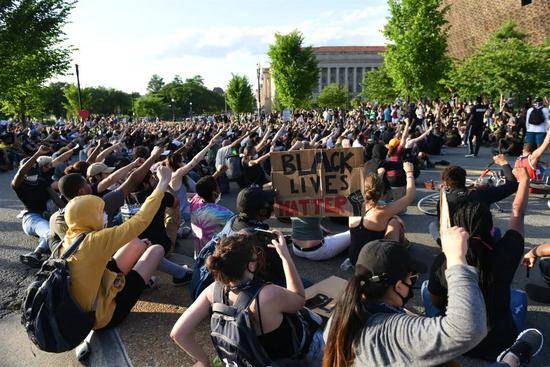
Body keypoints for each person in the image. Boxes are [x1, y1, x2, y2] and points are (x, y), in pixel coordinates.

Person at [323, 229, 487, 367]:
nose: (413, 281)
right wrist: (456, 259)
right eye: (412, 277)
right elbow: (467, 328)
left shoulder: (343, 314)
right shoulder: (390, 332)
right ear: (399, 286)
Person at [171, 231, 323, 367]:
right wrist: (285, 256)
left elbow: (178, 333)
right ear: (250, 265)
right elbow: (299, 298)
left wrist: (203, 361)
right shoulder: (268, 295)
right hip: (288, 359)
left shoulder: (212, 291)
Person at [427, 167, 530, 360]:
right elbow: (518, 212)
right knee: (519, 298)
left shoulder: (443, 260)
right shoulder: (505, 251)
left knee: (427, 288)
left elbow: (437, 301)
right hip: (499, 342)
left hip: (456, 343)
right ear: (489, 226)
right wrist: (524, 180)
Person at [61, 166, 172, 330]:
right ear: (89, 217)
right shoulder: (95, 240)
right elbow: (141, 220)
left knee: (136, 242)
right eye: (99, 212)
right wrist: (163, 182)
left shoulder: (71, 237)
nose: (104, 215)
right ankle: (160, 278)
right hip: (103, 317)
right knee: (156, 250)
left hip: (89, 300)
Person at [348, 162, 415, 266]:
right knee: (394, 222)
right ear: (382, 191)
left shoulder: (354, 204)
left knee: (392, 217)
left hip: (354, 259)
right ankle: (398, 252)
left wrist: (380, 175)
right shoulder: (382, 211)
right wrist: (409, 172)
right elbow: (409, 196)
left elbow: (371, 188)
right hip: (371, 264)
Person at [12, 145, 60, 267]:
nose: (31, 167)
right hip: (31, 219)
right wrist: (37, 154)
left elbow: (59, 202)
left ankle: (36, 254)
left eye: (34, 165)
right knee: (50, 233)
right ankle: (59, 257)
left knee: (52, 233)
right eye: (28, 165)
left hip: (45, 217)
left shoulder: (42, 182)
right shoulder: (19, 184)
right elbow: (21, 172)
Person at [189, 175, 234, 253]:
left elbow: (201, 187)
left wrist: (218, 173)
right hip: (214, 254)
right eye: (218, 187)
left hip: (200, 252)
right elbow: (236, 224)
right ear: (214, 193)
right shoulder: (222, 213)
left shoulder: (194, 202)